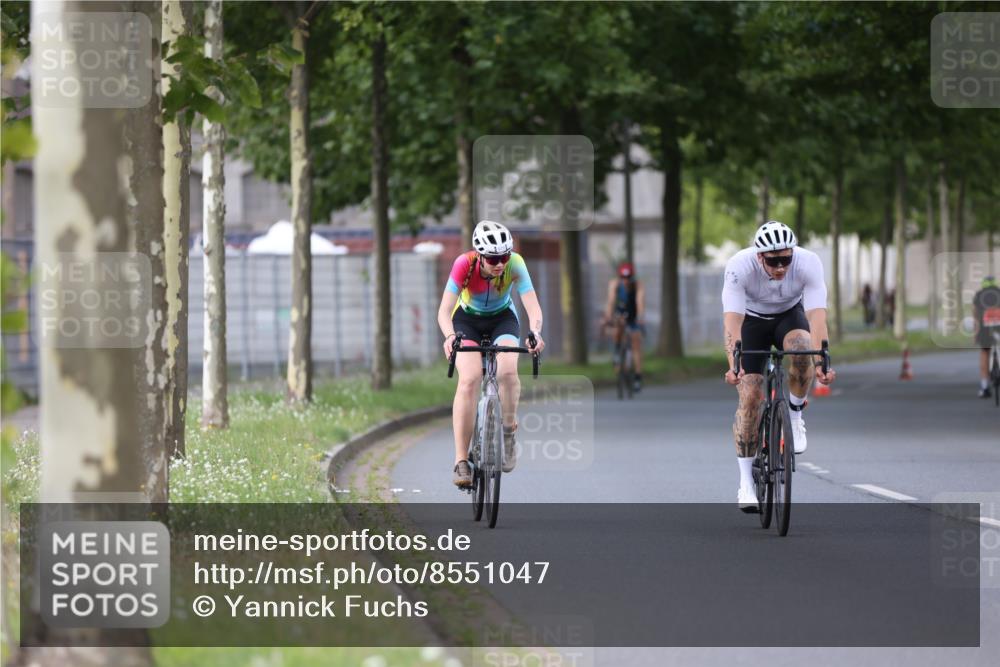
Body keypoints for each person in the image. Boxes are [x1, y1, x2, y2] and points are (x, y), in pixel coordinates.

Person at [722, 221, 837, 511]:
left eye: (786, 259)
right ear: (759, 256)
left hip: (789, 315)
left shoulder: (808, 263)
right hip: (752, 322)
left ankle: (796, 418)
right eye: (774, 261)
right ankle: (746, 483)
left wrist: (823, 358)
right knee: (749, 397)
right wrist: (733, 364)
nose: (781, 267)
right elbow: (732, 322)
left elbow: (817, 315)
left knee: (802, 350)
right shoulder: (739, 266)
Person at [437, 221, 546, 488]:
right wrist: (450, 336)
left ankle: (508, 431)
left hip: (503, 319)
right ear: (480, 255)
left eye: (504, 256)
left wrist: (536, 333)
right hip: (467, 321)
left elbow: (533, 306)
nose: (500, 263)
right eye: (493, 258)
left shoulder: (515, 264)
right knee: (470, 379)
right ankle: (461, 460)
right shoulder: (464, 264)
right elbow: (443, 310)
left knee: (508, 371)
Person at [601, 261, 646, 392]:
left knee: (636, 341)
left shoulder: (638, 285)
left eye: (628, 278)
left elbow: (640, 301)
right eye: (623, 278)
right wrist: (607, 317)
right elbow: (610, 301)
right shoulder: (614, 284)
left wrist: (641, 317)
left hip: (633, 315)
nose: (626, 281)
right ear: (620, 277)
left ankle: (637, 377)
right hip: (620, 313)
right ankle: (617, 351)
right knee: (616, 328)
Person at [972, 275, 1000, 398]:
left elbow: (975, 315)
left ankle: (984, 387)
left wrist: (975, 332)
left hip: (985, 328)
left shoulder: (979, 295)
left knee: (984, 353)